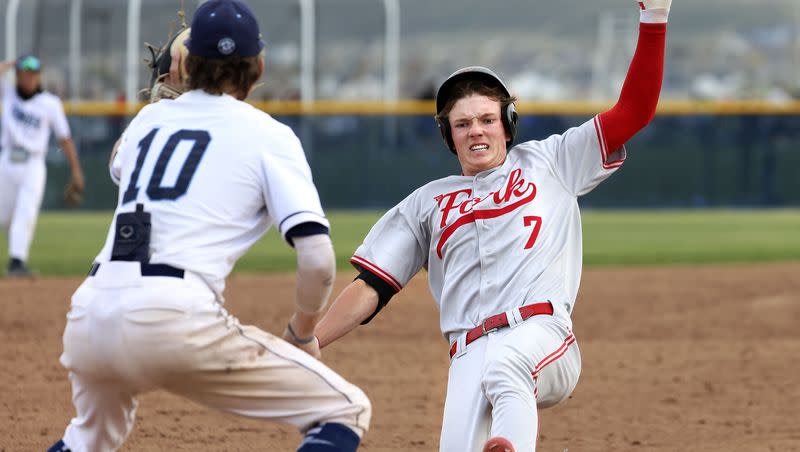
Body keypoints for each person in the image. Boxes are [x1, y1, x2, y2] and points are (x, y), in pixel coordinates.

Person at [313, 1, 671, 451]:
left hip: (539, 334)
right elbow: (371, 286)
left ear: (507, 124)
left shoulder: (553, 161)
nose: (475, 131)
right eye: (462, 123)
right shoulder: (427, 204)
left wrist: (653, 19)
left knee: (507, 366)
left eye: (486, 119)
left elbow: (634, 110)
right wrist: (312, 340)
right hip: (466, 355)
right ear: (448, 135)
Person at [47, 1, 370, 451]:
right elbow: (316, 258)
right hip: (175, 318)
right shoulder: (270, 136)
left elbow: (121, 162)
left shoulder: (149, 121)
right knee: (345, 410)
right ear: (258, 68)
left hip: (90, 315)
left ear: (185, 66)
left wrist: (171, 92)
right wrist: (300, 333)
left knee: (88, 440)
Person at [0, 55, 84, 277]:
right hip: (7, 161)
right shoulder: (8, 93)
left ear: (38, 77)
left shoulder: (50, 103)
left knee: (25, 212)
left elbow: (64, 138)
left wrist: (76, 171)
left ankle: (17, 263)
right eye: (24, 73)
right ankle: (16, 254)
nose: (29, 78)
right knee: (4, 217)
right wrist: (12, 63)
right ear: (17, 75)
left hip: (33, 164)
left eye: (33, 74)